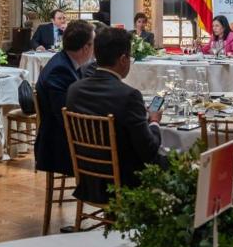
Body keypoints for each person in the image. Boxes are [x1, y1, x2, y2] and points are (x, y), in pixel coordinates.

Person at [65, 27, 164, 204]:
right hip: (124, 182)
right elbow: (149, 150)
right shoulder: (129, 96)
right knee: (183, 166)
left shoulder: (74, 90)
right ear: (123, 59)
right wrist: (154, 121)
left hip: (88, 179)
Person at [35, 19, 95, 177]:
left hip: (65, 138)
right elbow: (65, 116)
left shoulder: (69, 63)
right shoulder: (60, 70)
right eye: (93, 44)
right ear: (85, 48)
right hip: (59, 146)